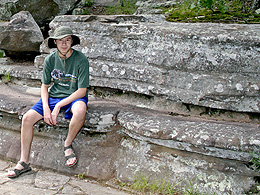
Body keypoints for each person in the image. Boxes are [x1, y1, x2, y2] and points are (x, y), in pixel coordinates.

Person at [7, 26, 89, 178]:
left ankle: (67, 144)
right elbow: (44, 86)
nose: (64, 44)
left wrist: (58, 106)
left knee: (80, 110)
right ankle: (24, 162)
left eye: (67, 40)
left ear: (72, 41)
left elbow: (82, 90)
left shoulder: (81, 59)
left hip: (74, 96)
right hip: (54, 95)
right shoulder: (50, 60)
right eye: (60, 41)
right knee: (27, 119)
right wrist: (46, 107)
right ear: (55, 42)